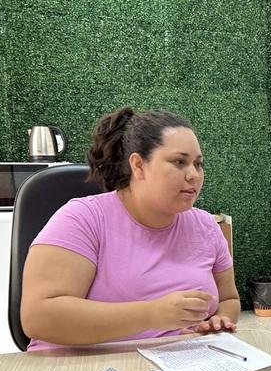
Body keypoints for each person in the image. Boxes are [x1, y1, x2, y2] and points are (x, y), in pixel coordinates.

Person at [22, 107, 241, 350]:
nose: (194, 175)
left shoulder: (206, 226)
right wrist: (152, 314)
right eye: (179, 162)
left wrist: (220, 321)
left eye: (198, 164)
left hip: (178, 362)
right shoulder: (82, 219)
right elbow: (38, 317)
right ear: (138, 165)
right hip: (80, 366)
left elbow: (228, 299)